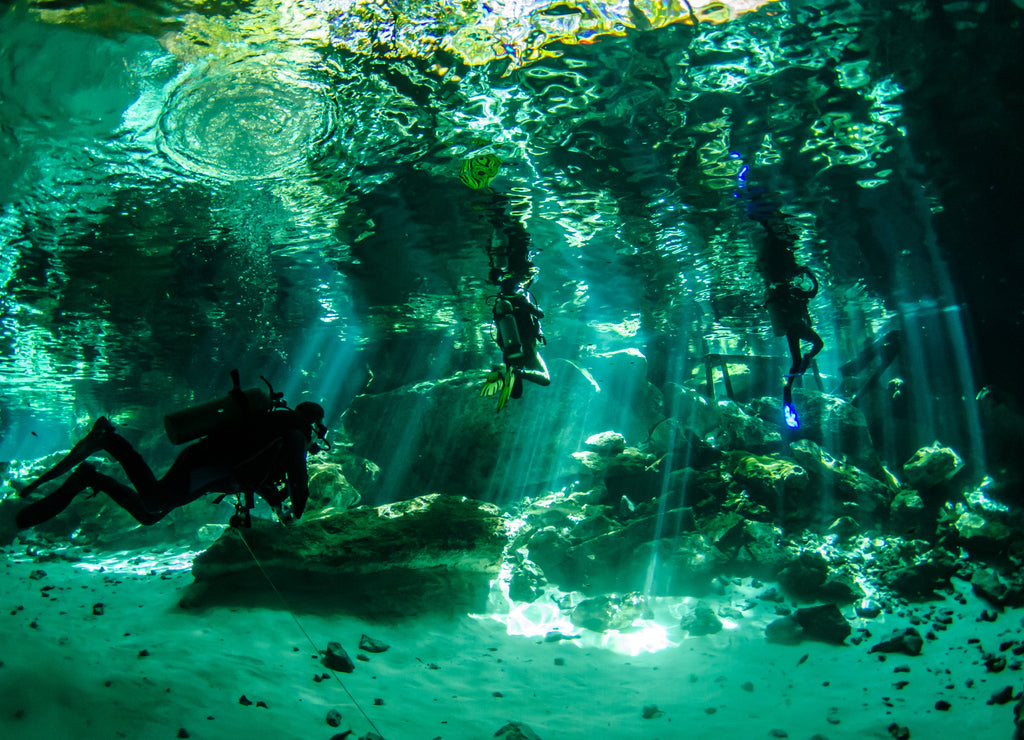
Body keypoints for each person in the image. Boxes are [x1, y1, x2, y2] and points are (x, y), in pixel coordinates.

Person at [15, 401, 327, 529]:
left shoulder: (277, 430)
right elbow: (298, 480)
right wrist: (298, 516)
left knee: (149, 514)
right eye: (317, 432)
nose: (314, 441)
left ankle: (92, 477)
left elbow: (255, 474)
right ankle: (111, 441)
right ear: (312, 424)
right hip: (205, 467)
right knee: (153, 503)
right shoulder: (293, 431)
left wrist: (276, 504)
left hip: (206, 466)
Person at [745, 187, 824, 427]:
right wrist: (807, 273)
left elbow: (811, 291)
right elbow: (810, 291)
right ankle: (790, 388)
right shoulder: (788, 292)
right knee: (810, 350)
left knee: (797, 360)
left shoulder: (792, 293)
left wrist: (807, 274)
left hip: (792, 325)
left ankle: (788, 391)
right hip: (792, 325)